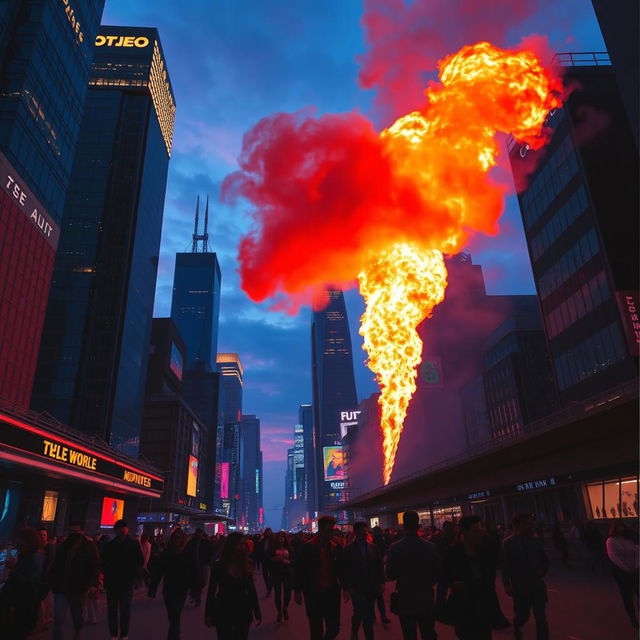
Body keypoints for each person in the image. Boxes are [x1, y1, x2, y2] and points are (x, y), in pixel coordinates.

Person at [386, 510, 440, 640]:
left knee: (409, 635)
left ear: (403, 526)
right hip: (425, 597)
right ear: (418, 525)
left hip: (405, 598)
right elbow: (437, 573)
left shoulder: (395, 548)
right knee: (428, 633)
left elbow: (390, 574)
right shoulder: (430, 547)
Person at [440, 515, 495, 639]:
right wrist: (452, 584)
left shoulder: (484, 551)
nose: (479, 534)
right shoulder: (452, 553)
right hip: (463, 607)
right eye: (475, 531)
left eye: (480, 531)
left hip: (483, 605)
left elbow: (490, 578)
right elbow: (444, 578)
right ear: (464, 532)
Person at [294, 515, 344, 640]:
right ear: (320, 530)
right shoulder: (308, 547)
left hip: (332, 593)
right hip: (314, 593)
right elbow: (300, 570)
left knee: (334, 628)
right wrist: (297, 591)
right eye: (328, 530)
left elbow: (341, 569)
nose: (331, 533)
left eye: (333, 530)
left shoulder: (335, 547)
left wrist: (346, 587)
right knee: (316, 629)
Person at [502, 513, 549, 640]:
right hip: (521, 587)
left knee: (541, 617)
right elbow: (505, 566)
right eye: (525, 524)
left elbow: (545, 560)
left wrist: (542, 570)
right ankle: (517, 626)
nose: (529, 526)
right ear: (517, 526)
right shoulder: (509, 543)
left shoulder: (535, 541)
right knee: (523, 615)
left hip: (537, 586)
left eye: (530, 523)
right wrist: (507, 584)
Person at [205, 532, 261, 639]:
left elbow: (251, 589)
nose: (244, 547)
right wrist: (208, 613)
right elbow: (211, 591)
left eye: (244, 544)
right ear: (231, 545)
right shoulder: (218, 566)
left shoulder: (247, 565)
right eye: (241, 544)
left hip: (243, 608)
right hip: (223, 608)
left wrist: (257, 611)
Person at [50, 521, 100, 640]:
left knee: (77, 616)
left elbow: (95, 566)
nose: (73, 534)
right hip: (61, 587)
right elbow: (56, 564)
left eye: (76, 531)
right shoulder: (62, 546)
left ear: (82, 531)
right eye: (71, 531)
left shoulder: (89, 546)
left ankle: (78, 633)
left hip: (79, 588)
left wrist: (92, 584)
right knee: (58, 618)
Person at [149, 528, 197, 640]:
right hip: (168, 589)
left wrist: (194, 589)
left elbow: (193, 571)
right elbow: (158, 572)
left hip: (182, 589)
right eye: (174, 538)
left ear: (182, 539)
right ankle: (176, 631)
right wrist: (153, 588)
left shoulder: (188, 553)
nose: (176, 540)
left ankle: (174, 635)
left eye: (179, 538)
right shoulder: (167, 553)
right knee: (172, 614)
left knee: (176, 614)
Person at [102, 519, 144, 640]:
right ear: (115, 530)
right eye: (119, 528)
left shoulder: (133, 544)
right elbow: (105, 563)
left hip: (127, 582)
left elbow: (139, 561)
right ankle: (113, 634)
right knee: (112, 610)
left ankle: (124, 633)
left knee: (125, 609)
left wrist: (134, 575)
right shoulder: (110, 546)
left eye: (123, 528)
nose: (121, 531)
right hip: (112, 583)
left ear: (127, 530)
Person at [343, 521, 385, 640]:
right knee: (361, 612)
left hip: (371, 585)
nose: (365, 533)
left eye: (366, 531)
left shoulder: (373, 547)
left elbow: (379, 566)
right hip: (356, 587)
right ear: (356, 532)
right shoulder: (348, 549)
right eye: (362, 531)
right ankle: (355, 628)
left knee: (368, 614)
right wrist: (348, 587)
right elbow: (345, 570)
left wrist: (382, 582)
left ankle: (367, 635)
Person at [0, 527, 45, 639]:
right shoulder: (27, 556)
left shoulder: (35, 557)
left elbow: (28, 582)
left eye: (18, 540)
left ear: (26, 542)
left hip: (22, 606)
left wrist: (13, 569)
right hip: (19, 605)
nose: (16, 543)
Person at [606, 522, 639, 628]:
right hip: (622, 573)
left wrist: (636, 565)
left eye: (622, 526)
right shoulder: (611, 541)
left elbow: (637, 551)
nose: (621, 528)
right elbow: (614, 557)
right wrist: (626, 568)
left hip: (635, 569)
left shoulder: (629, 539)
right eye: (618, 526)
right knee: (627, 596)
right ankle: (633, 619)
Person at [270, 531, 294, 622]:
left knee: (287, 593)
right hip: (276, 573)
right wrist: (274, 559)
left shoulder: (289, 548)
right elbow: (267, 559)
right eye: (279, 537)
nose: (281, 539)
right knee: (277, 593)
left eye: (283, 537)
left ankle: (285, 608)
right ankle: (279, 611)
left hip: (287, 572)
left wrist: (289, 562)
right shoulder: (273, 548)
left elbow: (294, 559)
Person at [186, 528, 211, 607]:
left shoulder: (206, 543)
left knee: (203, 582)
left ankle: (194, 594)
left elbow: (211, 552)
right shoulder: (191, 543)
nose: (199, 535)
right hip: (193, 565)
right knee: (196, 581)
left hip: (203, 564)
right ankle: (197, 598)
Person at [261, 528, 275, 597]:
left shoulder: (273, 541)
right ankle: (268, 587)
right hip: (264, 560)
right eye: (267, 532)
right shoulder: (263, 540)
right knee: (265, 575)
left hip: (271, 560)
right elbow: (260, 550)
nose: (268, 533)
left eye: (269, 532)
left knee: (271, 575)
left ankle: (269, 588)